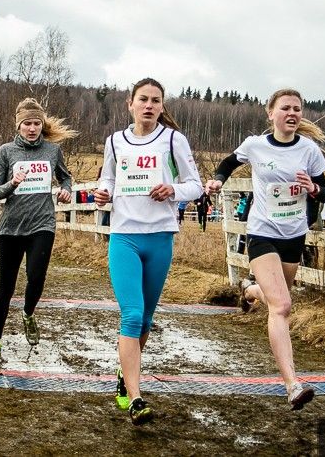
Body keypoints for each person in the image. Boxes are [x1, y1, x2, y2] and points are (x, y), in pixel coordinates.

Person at [205, 88, 325, 411]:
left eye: (297, 109)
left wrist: (313, 187)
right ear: (270, 113)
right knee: (283, 305)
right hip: (262, 232)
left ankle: (249, 290)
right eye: (285, 108)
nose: (292, 113)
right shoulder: (255, 145)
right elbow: (229, 163)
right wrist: (218, 180)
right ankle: (292, 385)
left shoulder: (309, 150)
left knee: (277, 298)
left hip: (294, 234)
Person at [94, 78, 202, 425]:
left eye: (156, 100)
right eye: (143, 99)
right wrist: (102, 192)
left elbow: (195, 186)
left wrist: (172, 190)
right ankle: (136, 397)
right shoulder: (115, 141)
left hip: (159, 236)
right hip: (124, 235)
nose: (149, 105)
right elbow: (108, 179)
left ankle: (124, 374)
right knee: (132, 314)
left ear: (161, 106)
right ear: (130, 103)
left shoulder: (173, 139)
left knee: (146, 320)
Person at [0, 98, 77, 360]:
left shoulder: (52, 150)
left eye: (37, 123)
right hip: (10, 228)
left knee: (36, 277)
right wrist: (12, 184)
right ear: (18, 126)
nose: (32, 128)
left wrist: (66, 190)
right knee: (5, 287)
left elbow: (66, 178)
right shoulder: (6, 152)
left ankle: (28, 313)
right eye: (27, 123)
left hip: (42, 225)